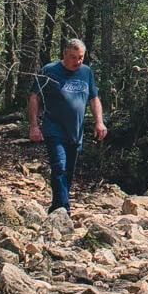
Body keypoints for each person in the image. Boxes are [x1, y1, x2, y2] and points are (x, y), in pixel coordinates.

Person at [28, 38, 107, 212]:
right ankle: (64, 209)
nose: (77, 62)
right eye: (73, 57)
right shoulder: (49, 71)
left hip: (75, 131)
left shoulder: (86, 72)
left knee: (68, 172)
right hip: (53, 128)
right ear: (64, 54)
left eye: (80, 57)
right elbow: (34, 97)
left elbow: (93, 98)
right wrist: (34, 126)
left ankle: (56, 206)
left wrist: (99, 122)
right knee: (60, 167)